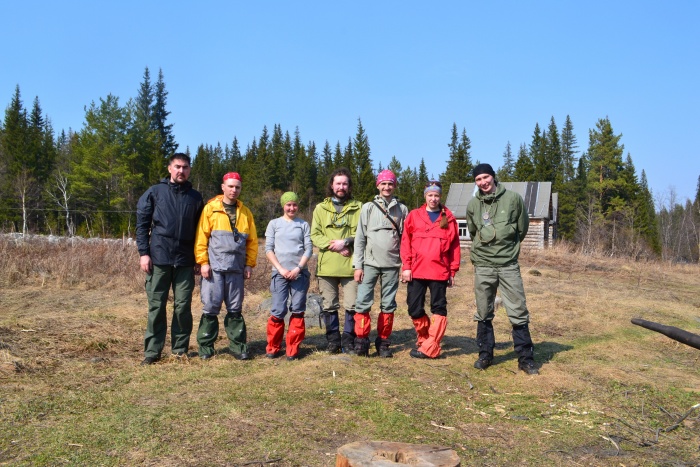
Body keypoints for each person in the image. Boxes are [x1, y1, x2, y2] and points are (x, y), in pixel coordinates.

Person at [466, 163, 538, 375]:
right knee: (483, 310)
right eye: (478, 180)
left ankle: (525, 358)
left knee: (518, 310)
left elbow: (522, 228)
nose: (483, 182)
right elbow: (472, 231)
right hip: (483, 265)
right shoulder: (473, 205)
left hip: (507, 264)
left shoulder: (513, 199)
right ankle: (485, 354)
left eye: (486, 177)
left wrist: (508, 248)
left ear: (493, 177)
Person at [136, 153, 204, 365]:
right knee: (156, 306)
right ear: (169, 168)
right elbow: (142, 225)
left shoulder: (195, 197)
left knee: (182, 307)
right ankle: (152, 351)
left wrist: (199, 258)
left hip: (185, 260)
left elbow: (201, 231)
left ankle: (179, 349)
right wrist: (144, 253)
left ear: (189, 170)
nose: (181, 171)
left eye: (185, 167)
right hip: (159, 258)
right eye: (177, 167)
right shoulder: (155, 193)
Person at [194, 172, 258, 360]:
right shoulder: (210, 209)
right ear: (223, 187)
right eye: (230, 186)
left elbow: (252, 242)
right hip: (213, 269)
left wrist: (249, 264)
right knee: (211, 306)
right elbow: (201, 237)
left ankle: (238, 346)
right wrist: (203, 262)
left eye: (237, 187)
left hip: (236, 269)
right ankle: (206, 347)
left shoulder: (245, 212)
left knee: (235, 308)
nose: (234, 190)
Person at [400, 180, 460, 359]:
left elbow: (455, 247)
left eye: (436, 195)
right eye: (430, 195)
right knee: (414, 307)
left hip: (439, 272)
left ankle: (432, 346)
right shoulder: (414, 216)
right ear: (425, 196)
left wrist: (452, 271)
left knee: (438, 307)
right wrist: (406, 267)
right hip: (416, 271)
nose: (433, 199)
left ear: (440, 197)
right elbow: (406, 243)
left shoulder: (448, 218)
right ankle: (424, 338)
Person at [352, 170, 408, 357]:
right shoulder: (368, 207)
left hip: (392, 265)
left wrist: (405, 266)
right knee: (362, 302)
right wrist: (358, 266)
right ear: (377, 185)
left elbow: (406, 240)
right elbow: (360, 238)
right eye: (383, 183)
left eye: (390, 184)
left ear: (395, 186)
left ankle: (383, 342)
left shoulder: (402, 209)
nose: (387, 187)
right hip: (369, 264)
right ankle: (361, 341)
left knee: (388, 304)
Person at [311, 168, 362, 354]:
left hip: (351, 266)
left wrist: (346, 241)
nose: (341, 187)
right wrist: (336, 246)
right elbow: (315, 235)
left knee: (352, 305)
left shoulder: (359, 207)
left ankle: (348, 340)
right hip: (327, 267)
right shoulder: (320, 208)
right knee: (329, 305)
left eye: (345, 183)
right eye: (338, 183)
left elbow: (362, 233)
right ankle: (333, 341)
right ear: (331, 185)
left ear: (349, 186)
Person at [264, 192, 313, 360]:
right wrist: (280, 269)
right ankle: (273, 347)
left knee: (298, 309)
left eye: (294, 204)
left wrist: (299, 268)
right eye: (288, 205)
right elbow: (268, 248)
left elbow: (308, 248)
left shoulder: (303, 225)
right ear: (283, 206)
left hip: (299, 274)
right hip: (279, 274)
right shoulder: (274, 224)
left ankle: (293, 348)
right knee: (278, 310)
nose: (292, 208)